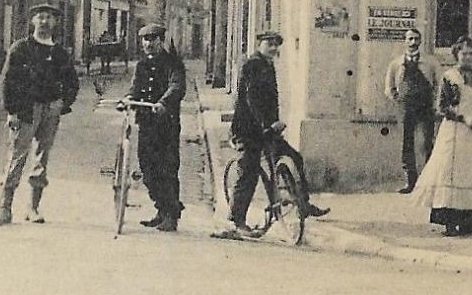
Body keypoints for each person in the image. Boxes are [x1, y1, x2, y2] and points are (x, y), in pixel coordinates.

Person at [215, 30, 330, 239]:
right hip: (248, 130)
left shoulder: (268, 65)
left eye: (277, 45)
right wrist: (267, 124)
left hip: (267, 130)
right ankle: (236, 220)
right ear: (259, 44)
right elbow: (252, 99)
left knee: (294, 157)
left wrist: (272, 126)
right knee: (248, 171)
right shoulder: (252, 65)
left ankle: (303, 203)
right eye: (270, 44)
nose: (274, 48)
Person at [0, 3, 79, 226]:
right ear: (32, 22)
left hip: (50, 111)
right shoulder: (20, 48)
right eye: (40, 17)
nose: (44, 22)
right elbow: (7, 81)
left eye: (49, 18)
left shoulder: (60, 54)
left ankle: (33, 207)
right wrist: (12, 110)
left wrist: (62, 103)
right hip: (26, 110)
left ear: (55, 23)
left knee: (41, 158)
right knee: (17, 157)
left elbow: (72, 83)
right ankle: (4, 208)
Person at [413, 37, 472, 236]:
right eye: (464, 53)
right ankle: (450, 222)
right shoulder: (449, 76)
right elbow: (441, 106)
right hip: (455, 130)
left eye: (471, 53)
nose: (467, 57)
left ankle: (469, 221)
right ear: (456, 54)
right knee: (452, 173)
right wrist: (463, 117)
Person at [125, 24, 187, 231]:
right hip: (146, 123)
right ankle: (162, 209)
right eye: (145, 40)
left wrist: (164, 103)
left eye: (152, 40)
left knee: (167, 168)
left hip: (166, 125)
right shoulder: (141, 65)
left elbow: (176, 85)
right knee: (147, 169)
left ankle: (171, 215)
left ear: (161, 41)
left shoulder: (173, 63)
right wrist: (127, 99)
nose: (148, 44)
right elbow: (135, 88)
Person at [383, 27, 438, 193]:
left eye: (416, 39)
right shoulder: (396, 64)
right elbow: (389, 87)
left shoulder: (430, 63)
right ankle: (410, 181)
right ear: (405, 41)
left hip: (425, 106)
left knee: (427, 142)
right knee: (407, 143)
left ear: (420, 41)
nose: (413, 42)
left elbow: (439, 85)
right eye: (410, 39)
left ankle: (429, 180)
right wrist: (398, 99)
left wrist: (434, 102)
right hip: (406, 107)